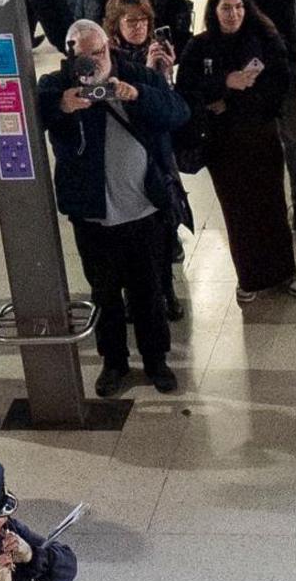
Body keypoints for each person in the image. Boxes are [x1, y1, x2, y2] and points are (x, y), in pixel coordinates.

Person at [34, 21, 189, 396]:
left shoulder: (134, 74)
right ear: (71, 56)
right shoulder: (55, 85)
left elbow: (179, 112)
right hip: (93, 217)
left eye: (100, 52)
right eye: (85, 56)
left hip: (143, 211)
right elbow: (30, 120)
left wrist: (138, 95)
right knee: (104, 295)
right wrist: (62, 105)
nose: (95, 63)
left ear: (109, 47)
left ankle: (156, 361)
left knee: (148, 292)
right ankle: (114, 363)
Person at [184, 0, 296, 299]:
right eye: (226, 8)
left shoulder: (265, 40)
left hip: (260, 134)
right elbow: (187, 88)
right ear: (214, 10)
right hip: (221, 142)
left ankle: (286, 271)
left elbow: (279, 84)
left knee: (272, 204)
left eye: (239, 7)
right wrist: (224, 84)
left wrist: (235, 101)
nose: (233, 14)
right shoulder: (200, 46)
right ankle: (248, 277)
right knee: (237, 210)